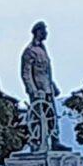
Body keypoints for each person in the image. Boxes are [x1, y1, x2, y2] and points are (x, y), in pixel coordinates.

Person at [20, 21, 62, 150]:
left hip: (48, 89)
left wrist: (53, 86)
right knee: (38, 117)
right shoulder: (29, 51)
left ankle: (55, 141)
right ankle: (37, 142)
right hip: (38, 91)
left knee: (52, 116)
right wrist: (33, 90)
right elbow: (26, 73)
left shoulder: (43, 50)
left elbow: (46, 72)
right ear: (38, 32)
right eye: (44, 31)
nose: (46, 34)